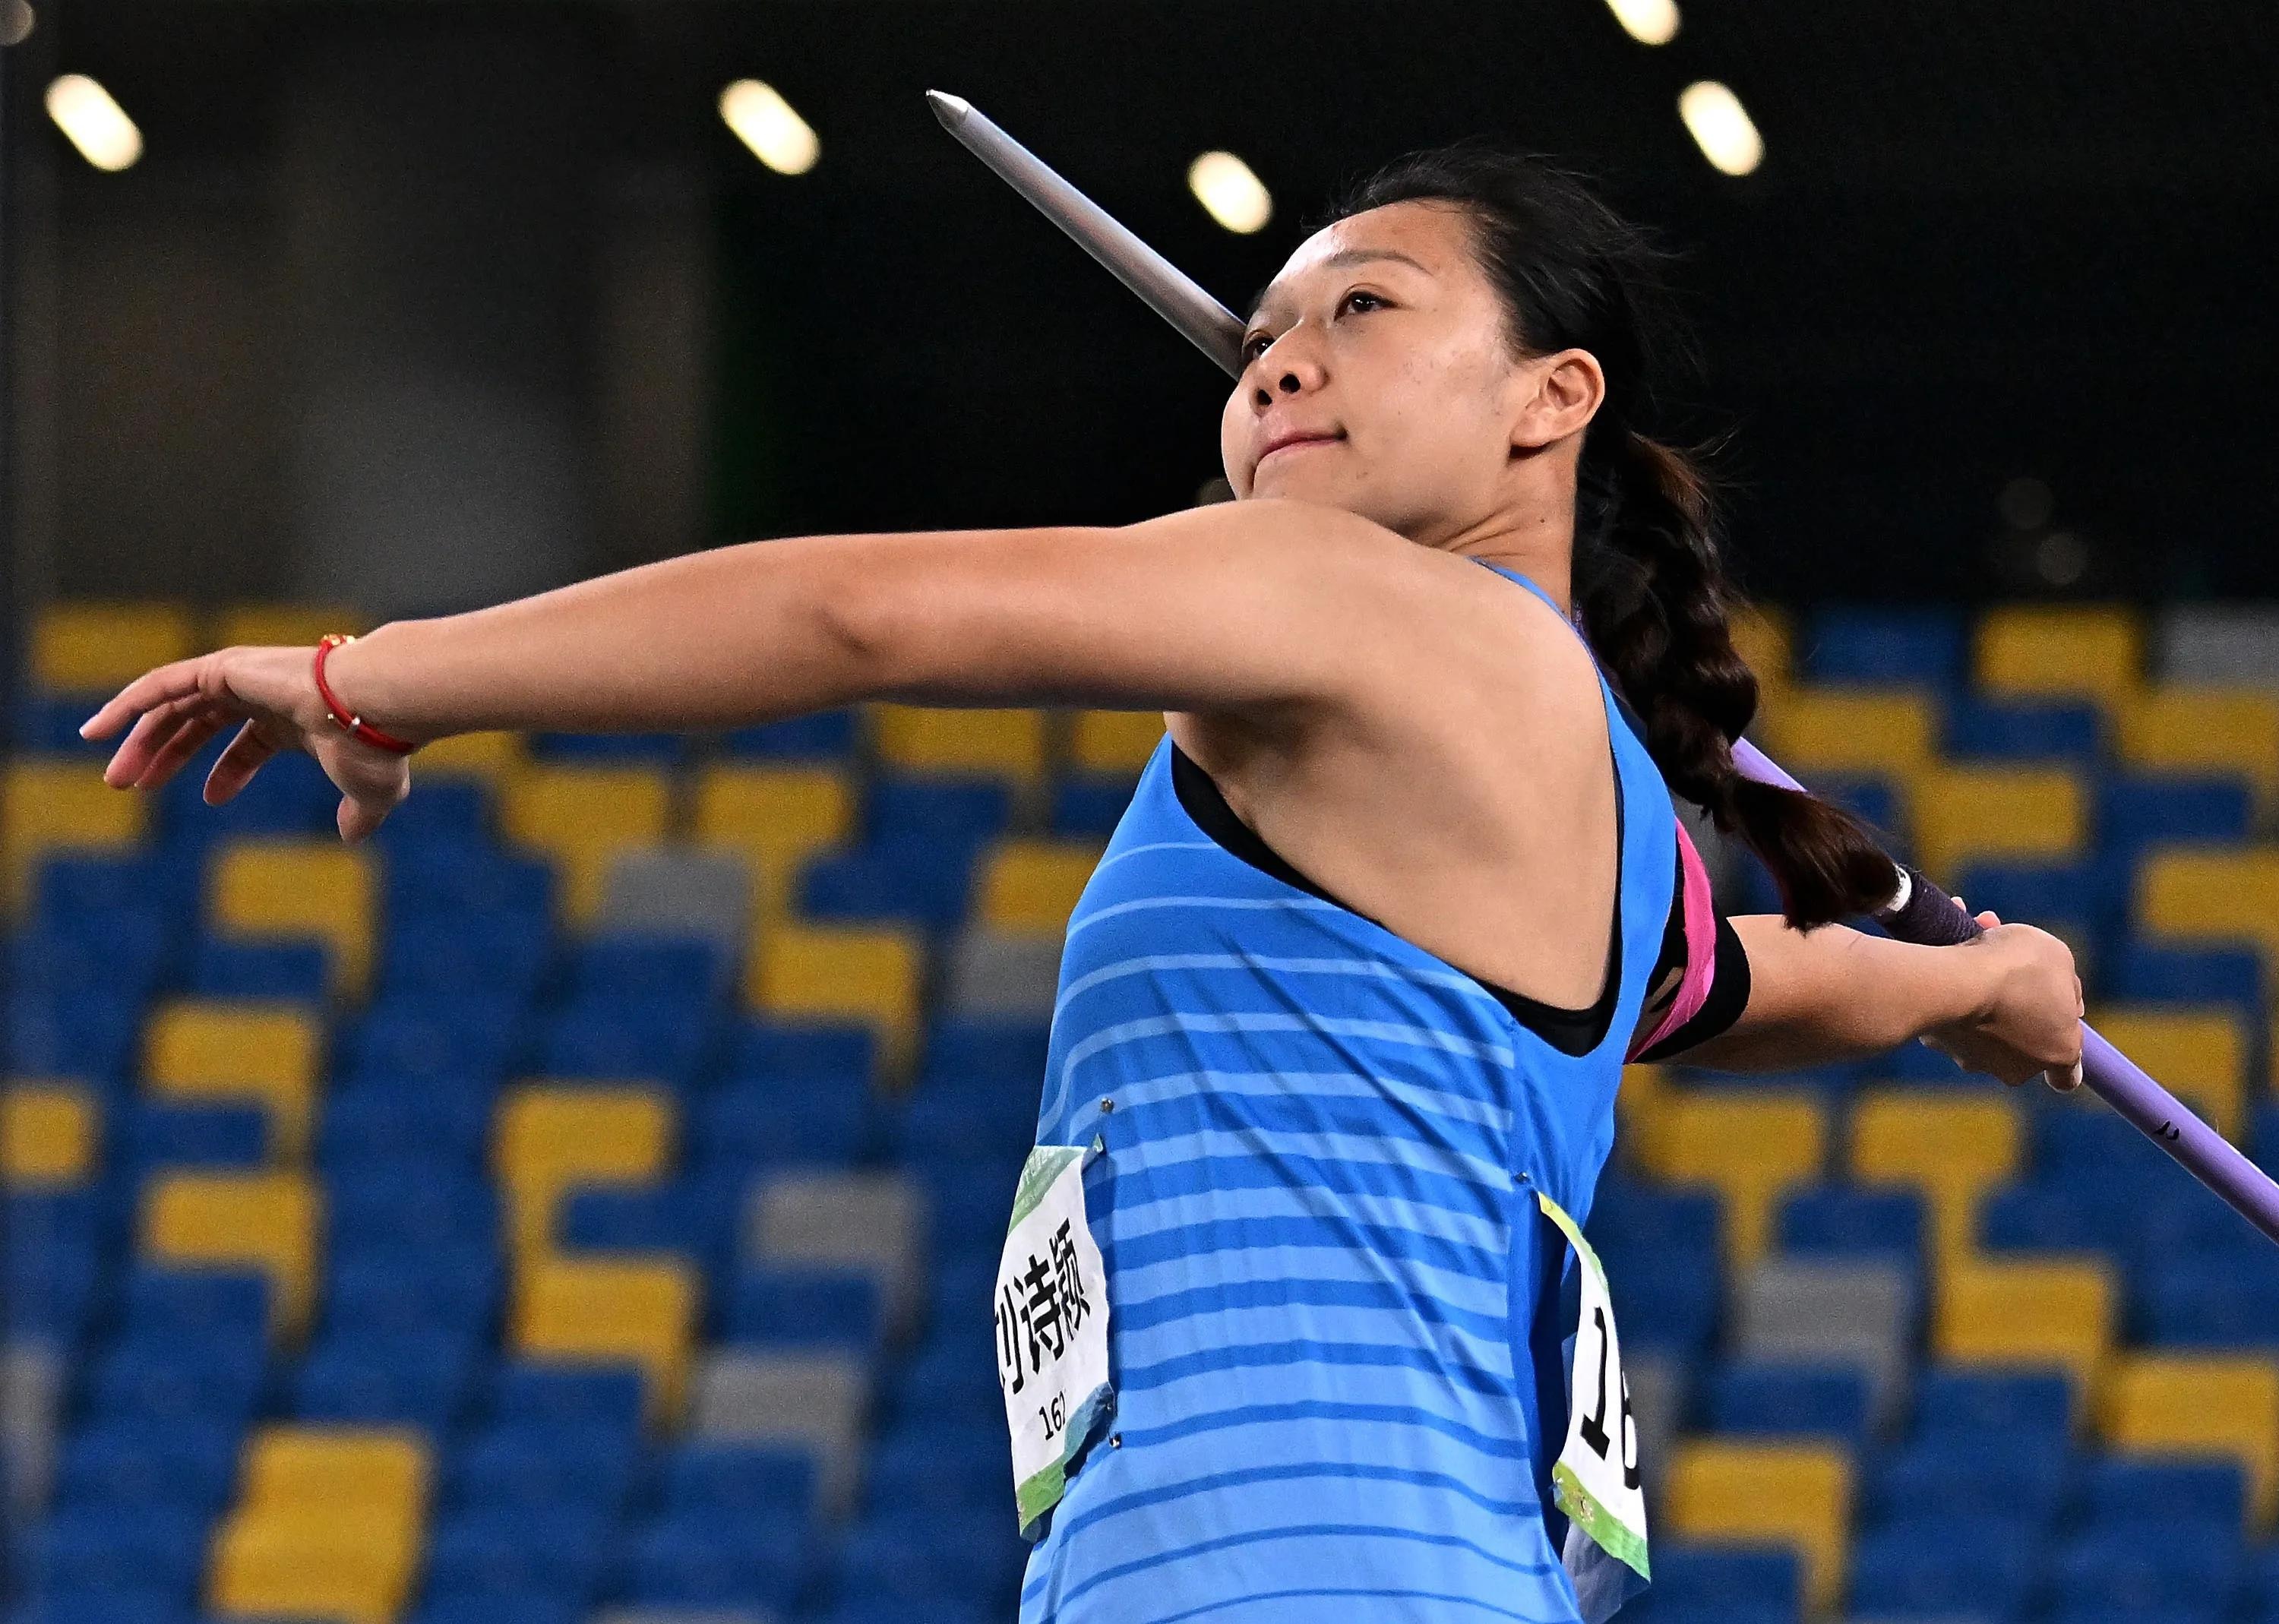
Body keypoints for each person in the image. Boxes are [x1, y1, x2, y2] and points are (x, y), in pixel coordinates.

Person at [83, 142, 2083, 1622]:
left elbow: (864, 613)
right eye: (1268, 335)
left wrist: (374, 677)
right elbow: (1739, 991)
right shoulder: (1612, 828)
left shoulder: (1351, 603)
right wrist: (1978, 984)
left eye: (1361, 310)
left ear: (1553, 399)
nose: (1283, 363)